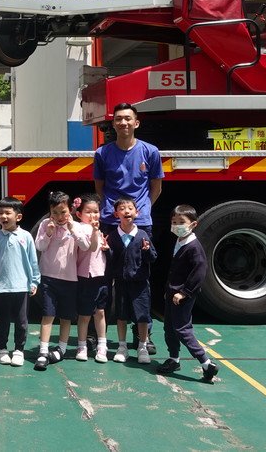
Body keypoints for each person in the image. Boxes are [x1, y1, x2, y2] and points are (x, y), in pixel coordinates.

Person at [94, 102, 163, 354]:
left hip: (140, 224)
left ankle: (143, 334)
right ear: (113, 124)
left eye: (127, 118)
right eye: (118, 119)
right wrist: (113, 212)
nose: (123, 123)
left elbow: (156, 187)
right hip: (110, 224)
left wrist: (141, 211)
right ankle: (99, 335)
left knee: (140, 280)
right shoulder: (102, 153)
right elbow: (100, 187)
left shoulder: (150, 152)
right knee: (104, 278)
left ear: (136, 122)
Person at [157, 205, 220, 382]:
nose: (177, 225)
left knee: (182, 329)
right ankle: (173, 358)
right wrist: (169, 291)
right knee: (169, 327)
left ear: (193, 224)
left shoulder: (193, 247)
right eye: (174, 222)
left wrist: (184, 292)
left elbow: (199, 272)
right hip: (172, 293)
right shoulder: (179, 241)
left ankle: (206, 363)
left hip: (182, 296)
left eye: (181, 222)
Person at [34, 191, 89, 371]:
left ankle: (61, 349)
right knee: (48, 315)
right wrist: (48, 234)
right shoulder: (45, 225)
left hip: (69, 279)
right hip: (48, 277)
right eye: (55, 212)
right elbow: (39, 246)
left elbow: (85, 246)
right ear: (50, 211)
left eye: (63, 212)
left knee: (66, 317)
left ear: (70, 210)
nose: (59, 217)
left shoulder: (76, 226)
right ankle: (43, 351)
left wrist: (73, 230)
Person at [104, 195, 157, 365]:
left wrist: (147, 251)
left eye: (130, 208)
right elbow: (111, 260)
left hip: (140, 284)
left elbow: (153, 257)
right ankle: (122, 347)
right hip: (121, 283)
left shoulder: (142, 235)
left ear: (137, 212)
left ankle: (142, 346)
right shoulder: (113, 236)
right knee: (121, 316)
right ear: (116, 214)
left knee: (142, 316)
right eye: (122, 209)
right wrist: (106, 250)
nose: (126, 211)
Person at [0, 197, 40, 367]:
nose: (3, 216)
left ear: (18, 217)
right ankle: (2, 349)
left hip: (21, 286)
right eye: (0, 213)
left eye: (7, 213)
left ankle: (19, 350)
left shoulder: (26, 236)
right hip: (3, 287)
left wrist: (34, 281)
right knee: (2, 321)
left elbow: (33, 261)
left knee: (21, 321)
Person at [73, 194, 109, 363]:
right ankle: (82, 345)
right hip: (85, 276)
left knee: (100, 312)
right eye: (88, 212)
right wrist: (95, 231)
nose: (93, 215)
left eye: (96, 211)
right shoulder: (80, 228)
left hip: (100, 275)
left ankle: (102, 345)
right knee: (84, 314)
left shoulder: (98, 230)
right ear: (79, 214)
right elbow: (91, 247)